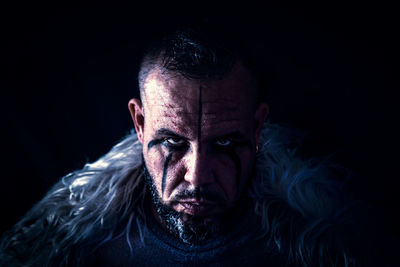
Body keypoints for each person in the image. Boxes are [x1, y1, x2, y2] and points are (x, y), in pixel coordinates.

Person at [0, 22, 390, 266]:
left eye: (224, 143)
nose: (198, 175)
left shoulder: (319, 248)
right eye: (172, 142)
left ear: (257, 127)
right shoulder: (78, 248)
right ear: (139, 123)